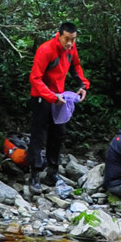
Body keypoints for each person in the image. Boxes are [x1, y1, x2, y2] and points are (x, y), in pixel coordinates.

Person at [29, 22, 89, 189]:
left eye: (73, 39)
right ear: (59, 35)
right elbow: (35, 78)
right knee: (38, 135)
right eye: (67, 39)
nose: (70, 43)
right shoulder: (46, 49)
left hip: (59, 97)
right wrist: (51, 97)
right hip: (42, 97)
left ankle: (52, 173)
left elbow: (75, 66)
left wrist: (83, 85)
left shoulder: (71, 49)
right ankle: (34, 175)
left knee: (58, 133)